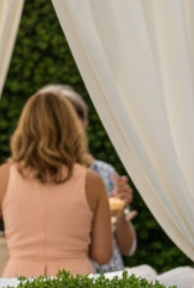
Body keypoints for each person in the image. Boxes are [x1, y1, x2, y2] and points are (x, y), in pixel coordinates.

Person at [0, 90, 112, 277]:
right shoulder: (92, 182)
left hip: (20, 281)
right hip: (75, 282)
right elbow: (102, 255)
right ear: (72, 129)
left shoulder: (3, 176)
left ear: (24, 128)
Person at [42, 84, 135, 274]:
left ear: (83, 122)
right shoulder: (36, 176)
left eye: (67, 118)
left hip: (110, 279)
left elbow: (128, 248)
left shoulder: (105, 172)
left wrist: (119, 215)